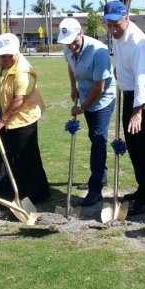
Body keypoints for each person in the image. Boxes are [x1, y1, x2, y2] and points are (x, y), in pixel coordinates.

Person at [0, 33, 50, 205]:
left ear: (17, 51)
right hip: (1, 115)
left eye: (10, 55)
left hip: (23, 119)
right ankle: (5, 193)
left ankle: (34, 194)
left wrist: (1, 122)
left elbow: (18, 101)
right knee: (5, 154)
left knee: (24, 155)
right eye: (3, 55)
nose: (6, 59)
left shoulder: (23, 72)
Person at [103, 0, 145, 216]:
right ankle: (144, 188)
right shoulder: (119, 37)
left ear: (126, 18)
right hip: (130, 95)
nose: (113, 29)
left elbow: (143, 78)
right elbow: (124, 62)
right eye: (109, 25)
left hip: (144, 98)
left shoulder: (137, 42)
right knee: (133, 146)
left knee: (144, 147)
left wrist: (138, 111)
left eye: (117, 24)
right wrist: (119, 71)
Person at [57, 17, 116, 207]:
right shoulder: (67, 46)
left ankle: (96, 188)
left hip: (102, 100)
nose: (71, 47)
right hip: (84, 94)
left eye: (74, 42)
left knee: (98, 138)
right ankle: (102, 175)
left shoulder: (99, 52)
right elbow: (70, 65)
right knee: (94, 138)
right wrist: (73, 86)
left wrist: (82, 107)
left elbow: (100, 87)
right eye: (68, 43)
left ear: (81, 33)